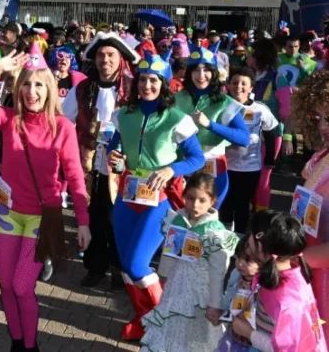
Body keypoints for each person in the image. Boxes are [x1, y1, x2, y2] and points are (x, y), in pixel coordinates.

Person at [0, 45, 89, 352]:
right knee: (7, 285)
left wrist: (84, 223)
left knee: (23, 287)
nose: (31, 91)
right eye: (26, 83)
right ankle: (17, 342)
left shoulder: (62, 126)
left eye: (38, 84)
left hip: (41, 217)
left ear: (49, 89)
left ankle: (31, 346)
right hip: (7, 214)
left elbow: (75, 176)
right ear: (17, 86)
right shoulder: (10, 119)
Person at [107, 51, 205, 340]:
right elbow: (117, 151)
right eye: (142, 80)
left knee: (138, 264)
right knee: (126, 265)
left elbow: (196, 158)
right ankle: (144, 319)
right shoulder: (123, 114)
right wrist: (116, 159)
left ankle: (167, 322)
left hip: (158, 201)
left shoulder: (177, 118)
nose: (146, 86)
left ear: (164, 84)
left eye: (153, 80)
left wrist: (170, 169)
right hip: (127, 196)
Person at [61, 32, 138, 291]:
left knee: (116, 217)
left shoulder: (134, 87)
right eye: (101, 55)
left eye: (111, 55)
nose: (105, 60)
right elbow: (63, 119)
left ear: (120, 59)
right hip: (89, 162)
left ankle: (118, 268)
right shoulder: (82, 89)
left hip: (122, 163)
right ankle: (95, 267)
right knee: (92, 214)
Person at [139, 173, 237, 352]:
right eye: (190, 198)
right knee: (172, 324)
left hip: (201, 291)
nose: (195, 205)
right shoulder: (177, 219)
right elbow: (169, 253)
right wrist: (163, 277)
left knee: (196, 332)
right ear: (184, 196)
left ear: (212, 201)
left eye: (202, 200)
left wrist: (215, 304)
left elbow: (218, 272)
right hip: (176, 285)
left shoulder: (214, 232)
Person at [230, 211, 327, 352]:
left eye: (252, 234)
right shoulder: (291, 269)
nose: (248, 239)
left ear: (261, 246)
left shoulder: (285, 299)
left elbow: (287, 349)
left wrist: (249, 333)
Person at [173, 44, 249, 209]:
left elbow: (244, 138)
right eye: (196, 70)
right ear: (189, 72)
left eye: (206, 69)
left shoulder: (225, 102)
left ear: (214, 72)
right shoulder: (175, 99)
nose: (201, 75)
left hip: (213, 172)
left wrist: (209, 124)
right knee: (178, 223)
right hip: (182, 168)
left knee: (206, 223)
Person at [291, 70, 329, 339]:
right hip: (310, 271)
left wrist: (292, 261)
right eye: (321, 117)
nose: (323, 125)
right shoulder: (320, 157)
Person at [220, 65, 280, 233]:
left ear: (251, 87)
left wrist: (270, 157)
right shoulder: (220, 106)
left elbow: (270, 131)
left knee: (242, 203)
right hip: (225, 165)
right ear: (228, 85)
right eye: (234, 82)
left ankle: (239, 236)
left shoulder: (260, 109)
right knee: (226, 201)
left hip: (250, 167)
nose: (238, 86)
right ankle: (225, 236)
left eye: (243, 83)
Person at [247, 38, 293, 206]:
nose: (246, 56)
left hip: (270, 137)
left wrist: (287, 138)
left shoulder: (277, 78)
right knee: (247, 177)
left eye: (250, 53)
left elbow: (288, 112)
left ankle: (261, 216)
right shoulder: (247, 77)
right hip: (247, 136)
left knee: (262, 180)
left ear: (259, 55)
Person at [215, 237, 262, 352]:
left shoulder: (263, 285)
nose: (240, 263)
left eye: (247, 260)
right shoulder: (236, 275)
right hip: (232, 336)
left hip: (252, 342)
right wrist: (222, 311)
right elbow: (230, 295)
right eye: (238, 257)